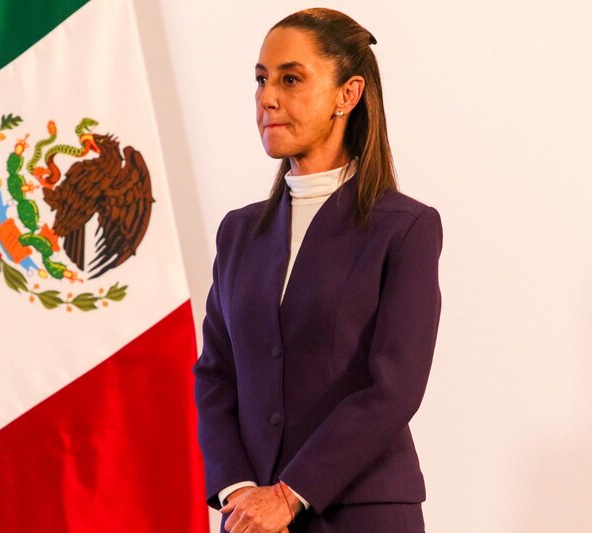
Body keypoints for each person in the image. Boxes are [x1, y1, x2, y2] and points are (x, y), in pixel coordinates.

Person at [193, 8, 443, 533]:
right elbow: (215, 376)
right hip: (251, 521)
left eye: (290, 78)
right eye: (261, 79)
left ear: (347, 95)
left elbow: (394, 387)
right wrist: (240, 493)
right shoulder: (238, 233)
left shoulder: (405, 227)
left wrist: (287, 496)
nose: (267, 97)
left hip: (364, 514)